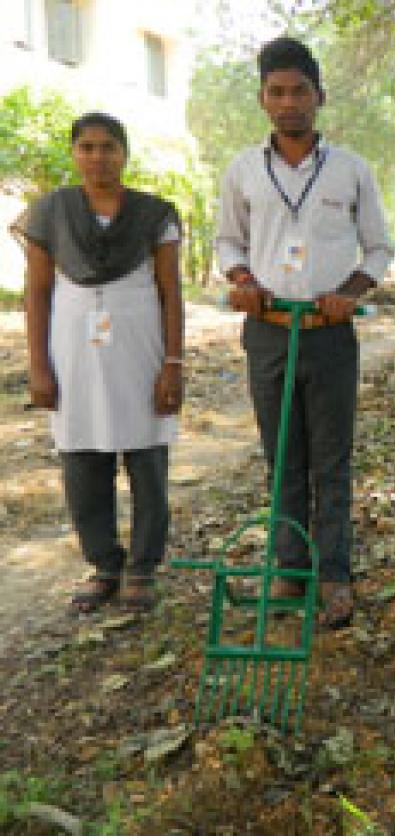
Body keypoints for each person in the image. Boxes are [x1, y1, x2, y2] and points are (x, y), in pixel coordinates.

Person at [215, 36, 394, 630]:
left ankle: (336, 574)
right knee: (281, 455)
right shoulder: (243, 170)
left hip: (327, 333)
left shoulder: (351, 170)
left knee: (331, 459)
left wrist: (351, 294)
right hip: (268, 331)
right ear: (263, 99)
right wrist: (240, 277)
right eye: (277, 92)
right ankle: (291, 567)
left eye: (300, 91)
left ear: (319, 96)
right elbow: (228, 241)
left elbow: (379, 247)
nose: (289, 102)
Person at [16, 112, 184, 613]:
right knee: (82, 459)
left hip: (141, 348)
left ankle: (142, 568)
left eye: (108, 146)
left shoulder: (155, 215)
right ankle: (104, 565)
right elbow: (38, 293)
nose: (97, 157)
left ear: (124, 153)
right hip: (73, 353)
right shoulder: (51, 213)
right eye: (86, 147)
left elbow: (170, 292)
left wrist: (173, 361)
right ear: (74, 153)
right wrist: (39, 365)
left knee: (147, 456)